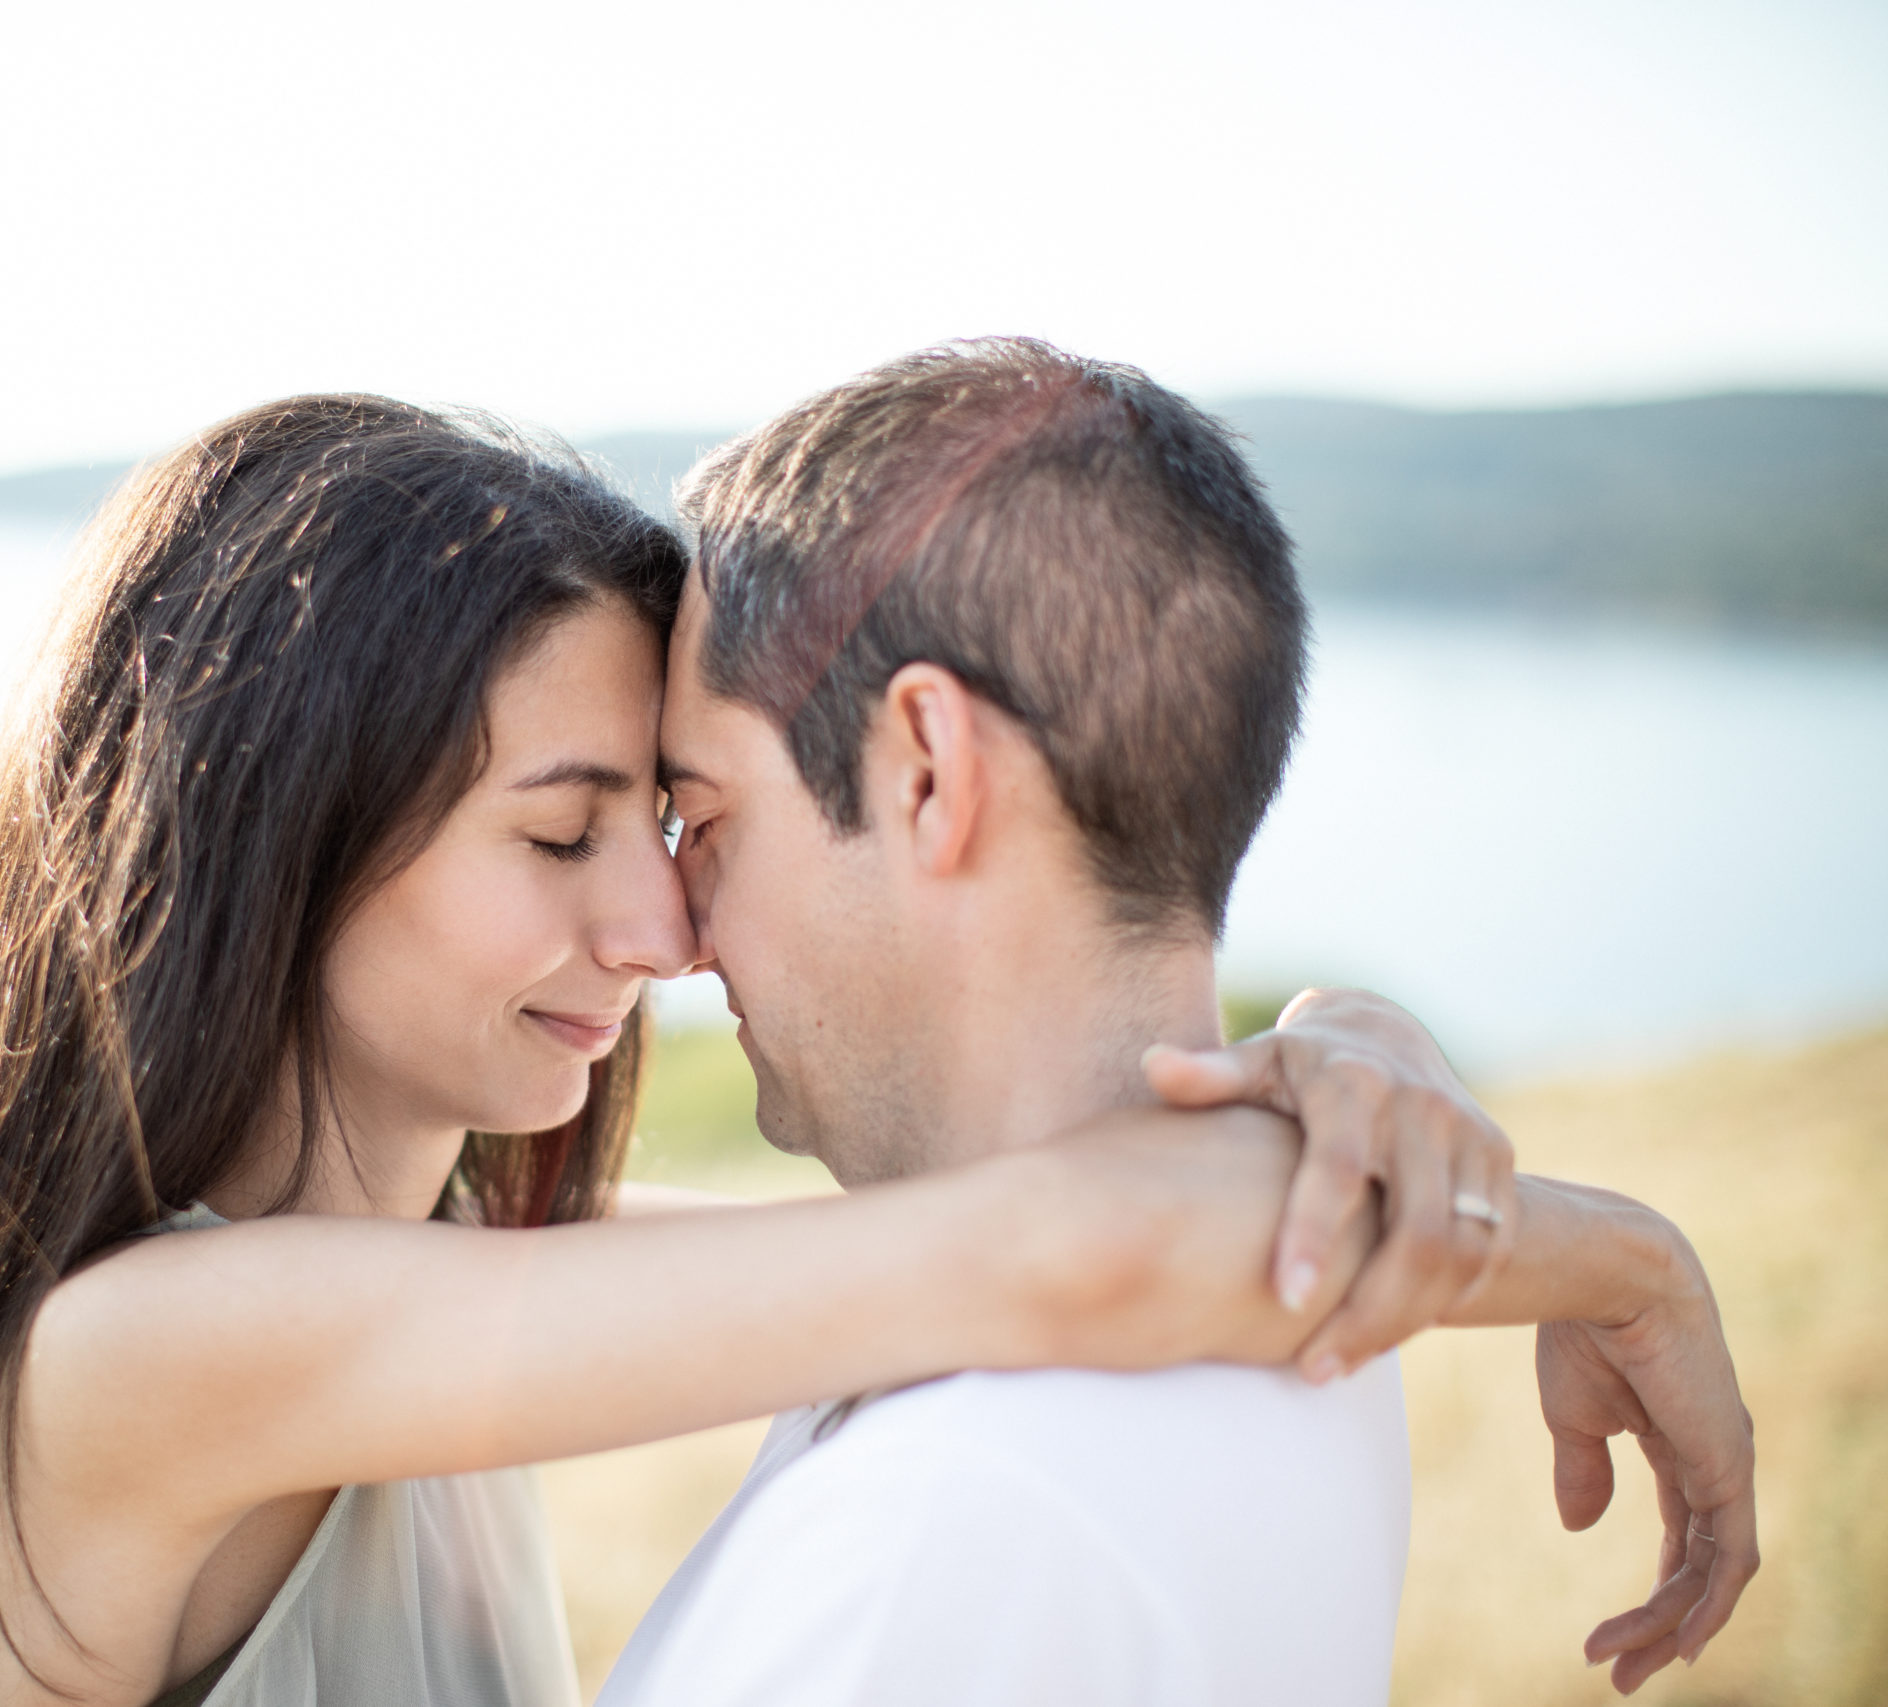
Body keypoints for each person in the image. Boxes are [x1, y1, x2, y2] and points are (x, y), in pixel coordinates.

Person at [0, 392, 1744, 1707]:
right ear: (274, 826)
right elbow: (1049, 1242)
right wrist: (1622, 1258)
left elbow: (1019, 1211)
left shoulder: (473, 1276)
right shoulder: (154, 1355)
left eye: (660, 823)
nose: (655, 932)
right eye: (558, 833)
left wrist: (1341, 1032)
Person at [599, 338, 1756, 1706]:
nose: (672, 933)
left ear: (926, 775)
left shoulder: (946, 1542)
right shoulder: (1301, 1288)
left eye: (705, 818)